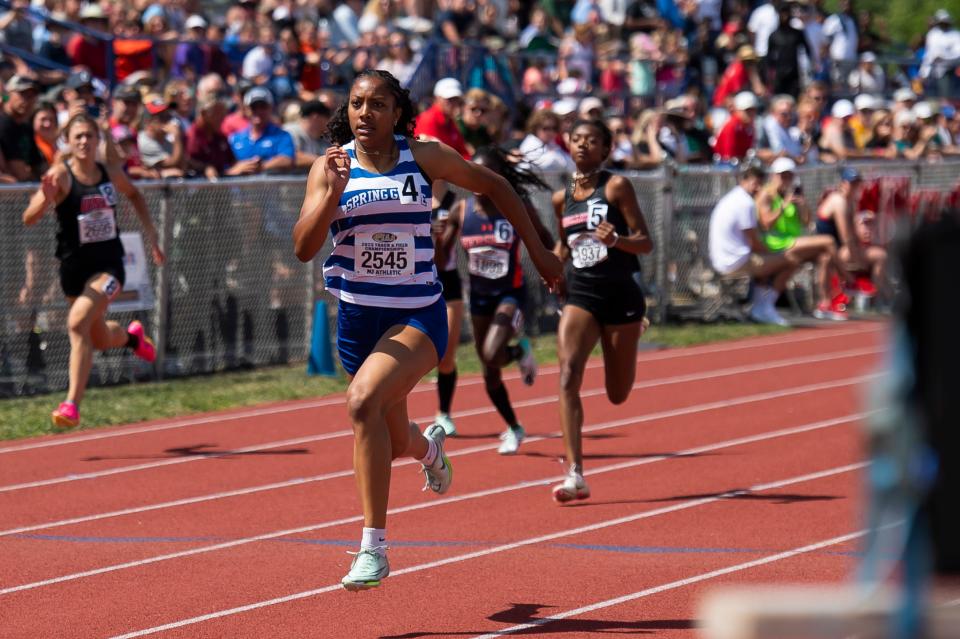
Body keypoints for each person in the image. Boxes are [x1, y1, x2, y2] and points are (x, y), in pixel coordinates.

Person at [291, 70, 562, 590]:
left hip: (417, 313)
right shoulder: (330, 168)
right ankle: (430, 450)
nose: (364, 113)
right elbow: (304, 247)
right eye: (356, 104)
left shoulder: (425, 156)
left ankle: (374, 547)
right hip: (357, 318)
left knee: (361, 404)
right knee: (391, 440)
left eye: (376, 104)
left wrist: (539, 249)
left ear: (398, 112)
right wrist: (333, 194)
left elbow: (496, 185)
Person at [21, 113, 165, 428]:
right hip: (73, 270)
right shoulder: (61, 175)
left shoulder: (109, 174)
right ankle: (131, 339)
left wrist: (152, 235)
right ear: (68, 142)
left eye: (90, 135)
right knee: (97, 337)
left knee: (76, 324)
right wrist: (45, 201)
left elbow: (136, 195)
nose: (85, 142)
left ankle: (71, 403)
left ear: (98, 140)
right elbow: (28, 217)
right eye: (78, 137)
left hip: (110, 267)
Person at [552, 119, 653, 503]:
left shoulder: (616, 186)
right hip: (581, 293)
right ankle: (575, 473)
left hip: (621, 295)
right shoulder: (562, 198)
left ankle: (633, 331)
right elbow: (566, 247)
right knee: (566, 375)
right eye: (576, 139)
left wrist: (619, 240)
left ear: (606, 149)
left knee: (617, 393)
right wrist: (550, 266)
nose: (582, 146)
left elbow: (645, 243)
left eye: (591, 141)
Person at [453, 146, 553, 453]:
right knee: (490, 369)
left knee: (491, 350)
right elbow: (439, 250)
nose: (479, 182)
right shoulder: (462, 209)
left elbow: (546, 239)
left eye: (486, 176)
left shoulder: (515, 206)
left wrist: (552, 265)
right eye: (474, 175)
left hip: (511, 294)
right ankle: (514, 426)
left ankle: (517, 347)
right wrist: (435, 235)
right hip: (479, 297)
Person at [755, 158, 846, 320]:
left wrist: (802, 204)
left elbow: (806, 221)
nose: (786, 180)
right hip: (776, 243)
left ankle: (824, 303)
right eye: (783, 176)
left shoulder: (791, 194)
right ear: (774, 176)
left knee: (824, 257)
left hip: (792, 242)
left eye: (789, 176)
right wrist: (783, 206)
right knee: (829, 241)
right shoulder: (766, 195)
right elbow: (766, 223)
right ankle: (849, 280)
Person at [708, 162, 796, 326]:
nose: (758, 188)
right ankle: (765, 307)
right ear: (744, 181)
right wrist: (774, 254)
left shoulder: (733, 198)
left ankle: (760, 307)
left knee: (768, 262)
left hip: (725, 258)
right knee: (791, 261)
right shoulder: (745, 203)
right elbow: (754, 242)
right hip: (733, 261)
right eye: (755, 183)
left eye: (760, 184)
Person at [429, 185, 464, 437]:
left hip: (447, 282)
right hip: (416, 282)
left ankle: (443, 412)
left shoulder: (454, 203)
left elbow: (443, 259)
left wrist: (437, 238)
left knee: (446, 355)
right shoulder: (410, 191)